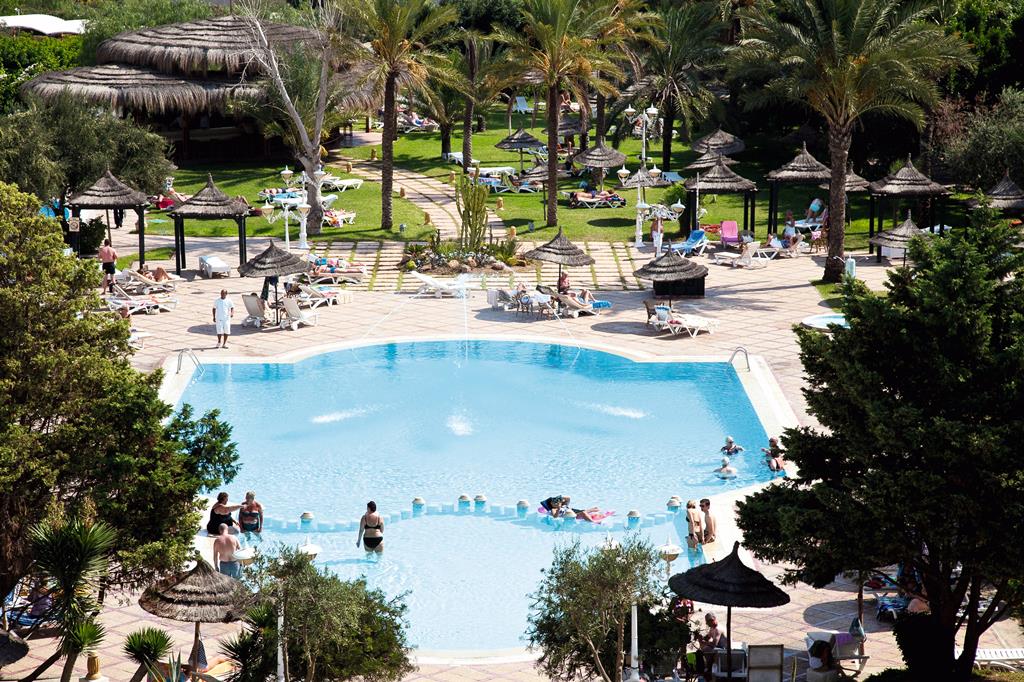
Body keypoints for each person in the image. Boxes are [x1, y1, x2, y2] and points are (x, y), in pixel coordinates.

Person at [695, 612, 726, 677]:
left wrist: (703, 642)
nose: (706, 623)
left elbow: (714, 644)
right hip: (718, 647)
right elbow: (707, 638)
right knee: (703, 647)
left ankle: (708, 667)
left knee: (706, 649)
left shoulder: (717, 629)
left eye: (707, 622)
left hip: (724, 649)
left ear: (712, 620)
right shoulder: (712, 627)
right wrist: (700, 637)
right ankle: (705, 666)